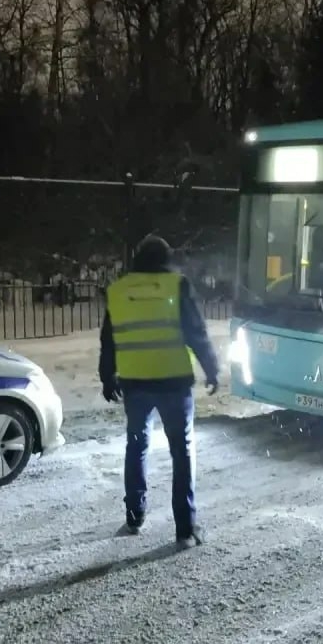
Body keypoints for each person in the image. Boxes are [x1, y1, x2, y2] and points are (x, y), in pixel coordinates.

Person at [99, 235, 220, 549]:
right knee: (182, 452)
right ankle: (185, 529)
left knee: (136, 445)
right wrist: (211, 367)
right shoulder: (176, 286)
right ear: (166, 258)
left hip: (135, 382)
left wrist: (106, 376)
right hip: (173, 383)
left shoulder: (119, 289)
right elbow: (196, 331)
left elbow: (108, 338)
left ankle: (134, 515)